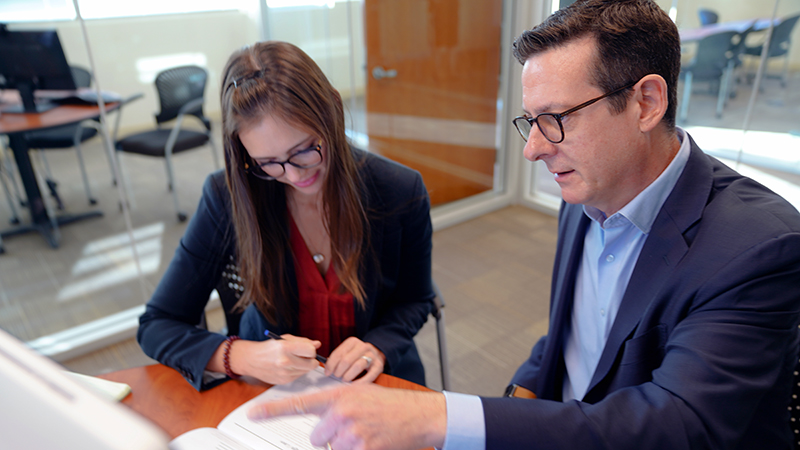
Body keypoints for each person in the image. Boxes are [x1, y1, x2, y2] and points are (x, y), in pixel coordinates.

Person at [246, 1, 800, 449]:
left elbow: (680, 425)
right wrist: (520, 395)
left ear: (646, 102)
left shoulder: (758, 246)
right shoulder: (584, 187)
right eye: (530, 122)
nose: (534, 149)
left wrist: (442, 417)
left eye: (555, 120)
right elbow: (572, 336)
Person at [137, 41, 434, 391]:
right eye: (268, 163)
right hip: (272, 390)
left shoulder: (400, 189)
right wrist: (242, 356)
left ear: (333, 112)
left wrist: (380, 346)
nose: (293, 176)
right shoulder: (228, 195)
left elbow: (415, 299)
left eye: (305, 150)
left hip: (375, 380)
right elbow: (157, 324)